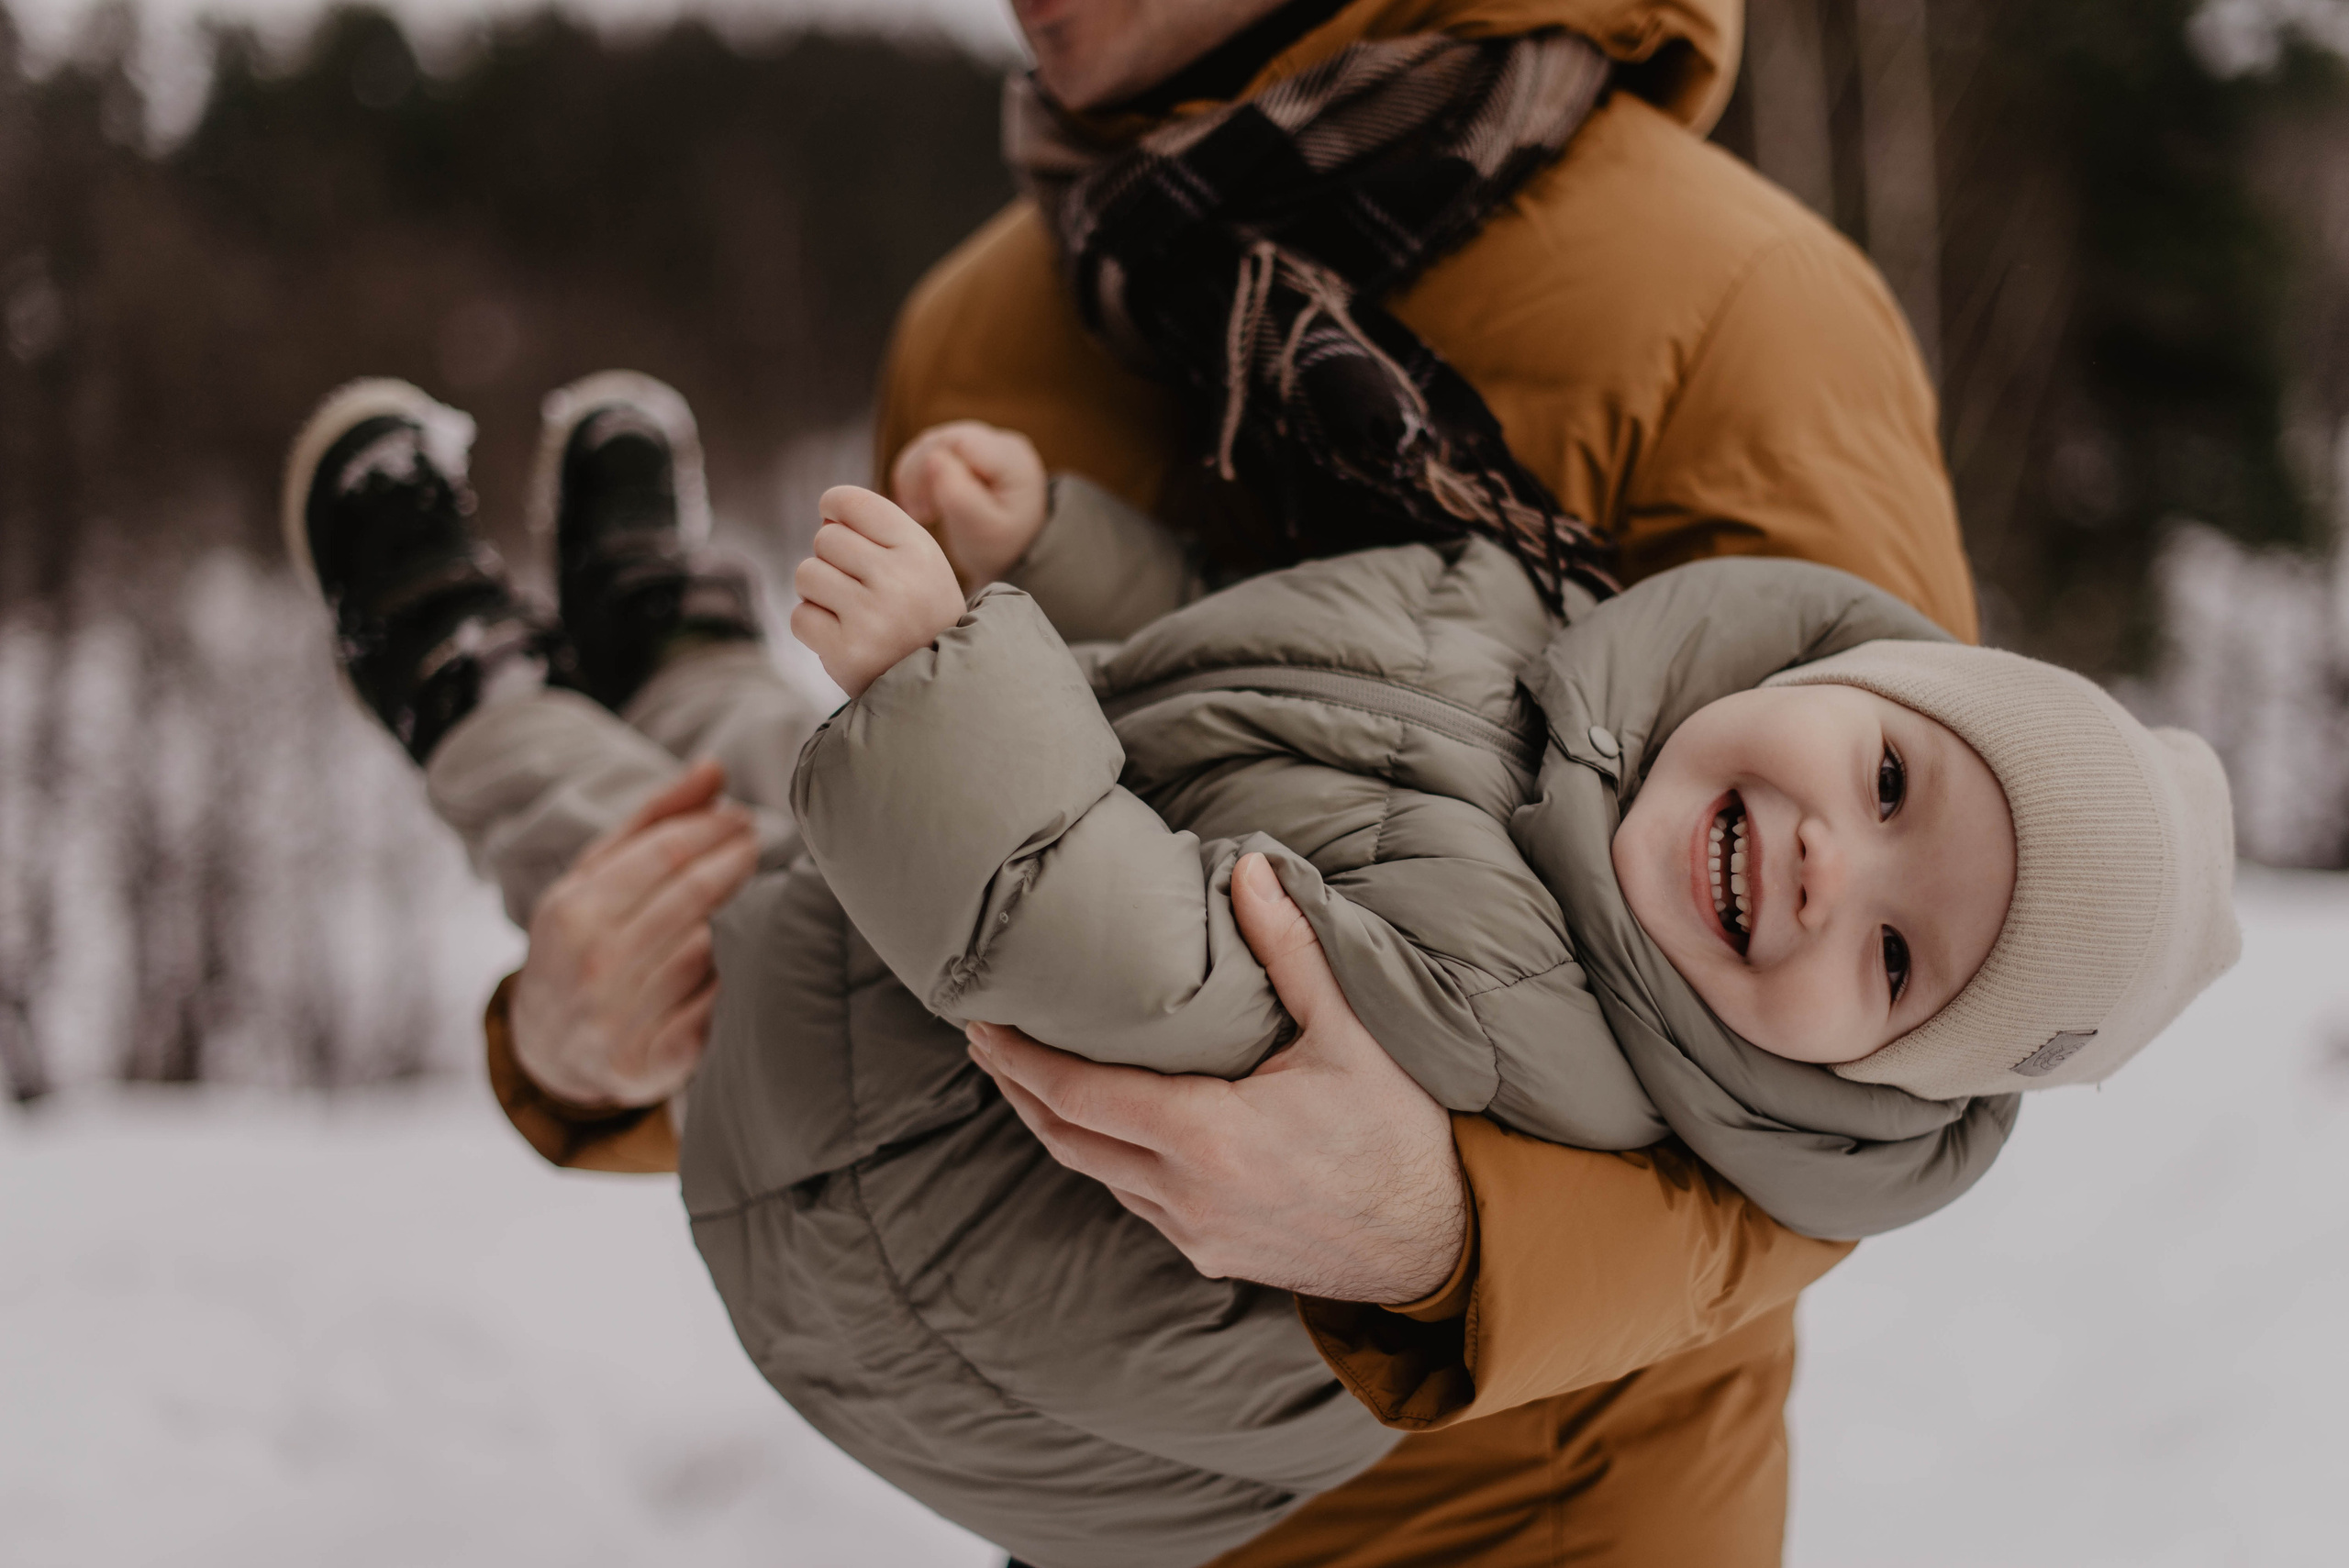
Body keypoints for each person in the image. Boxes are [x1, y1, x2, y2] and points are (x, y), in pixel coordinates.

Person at [294, 0, 2020, 1560]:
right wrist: (575, 1055)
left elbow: (1879, 1077)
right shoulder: (985, 315)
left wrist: (1441, 1232)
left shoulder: (1735, 308)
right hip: (1103, 1479)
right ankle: (630, 652)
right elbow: (907, 954)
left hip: (1537, 1521)